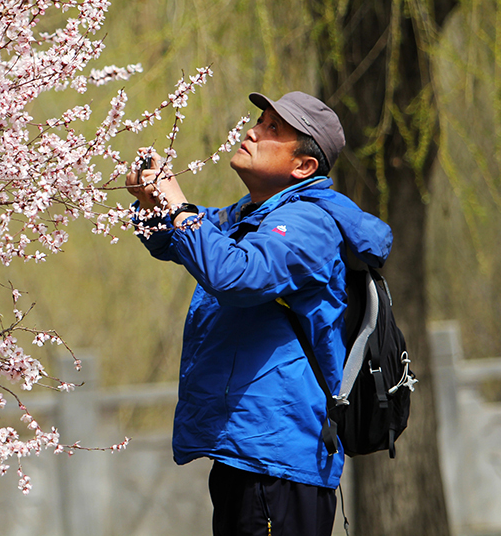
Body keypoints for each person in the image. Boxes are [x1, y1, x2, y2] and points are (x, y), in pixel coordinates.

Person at [125, 91, 392, 536]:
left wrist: (177, 207)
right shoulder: (250, 215)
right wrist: (153, 203)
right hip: (247, 449)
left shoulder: (309, 224)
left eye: (273, 129)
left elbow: (237, 275)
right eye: (259, 120)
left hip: (278, 457)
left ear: (303, 166)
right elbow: (181, 239)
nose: (253, 130)